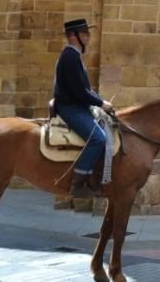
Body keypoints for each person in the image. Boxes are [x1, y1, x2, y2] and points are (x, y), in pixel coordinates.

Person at [52, 18, 114, 198]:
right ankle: (77, 185)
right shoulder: (70, 57)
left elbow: (84, 89)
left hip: (77, 105)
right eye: (85, 33)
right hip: (71, 108)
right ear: (73, 36)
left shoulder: (74, 56)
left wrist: (98, 100)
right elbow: (79, 91)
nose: (89, 37)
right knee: (98, 139)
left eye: (88, 33)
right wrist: (101, 103)